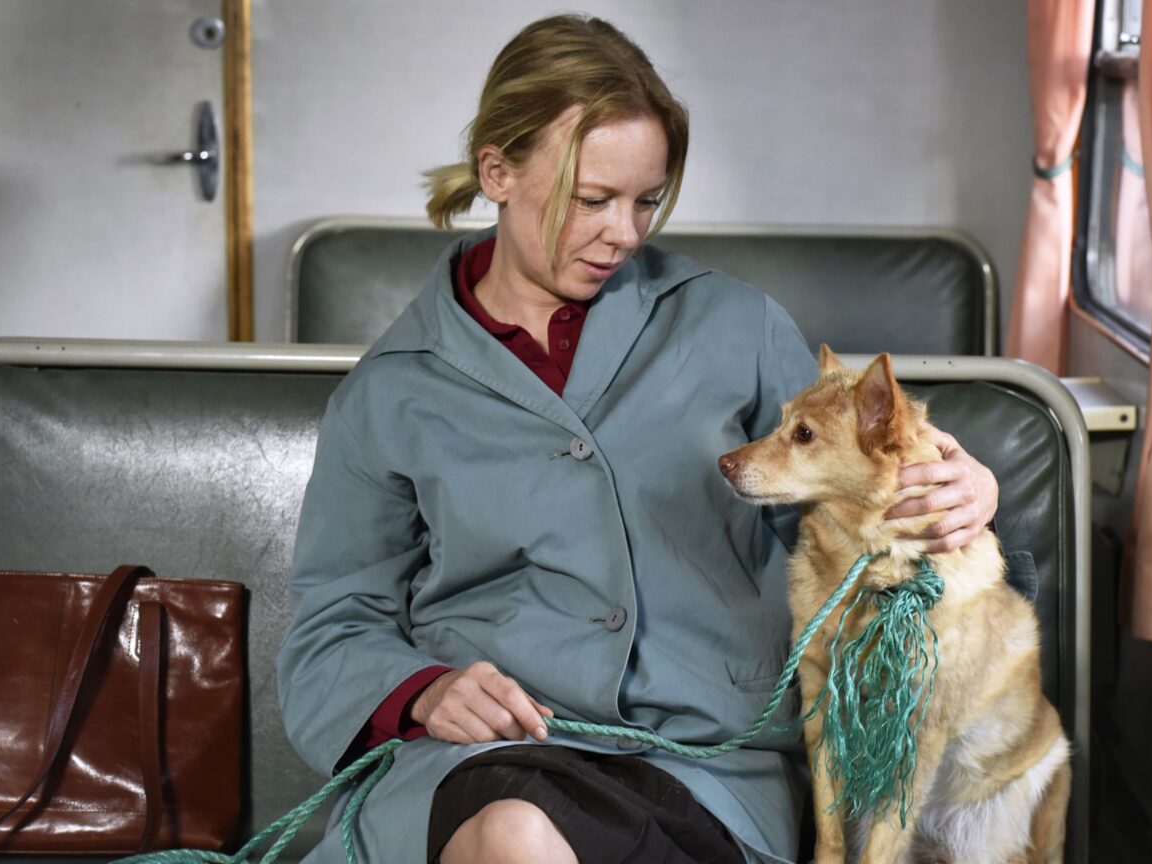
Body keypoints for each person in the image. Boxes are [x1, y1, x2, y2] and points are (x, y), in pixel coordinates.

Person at [276, 14, 999, 864]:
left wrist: (964, 494)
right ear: (496, 171)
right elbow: (332, 629)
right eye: (593, 200)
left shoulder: (737, 326)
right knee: (514, 829)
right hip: (483, 763)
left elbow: (851, 504)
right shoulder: (389, 390)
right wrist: (427, 692)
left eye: (646, 200)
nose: (625, 232)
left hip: (704, 767)